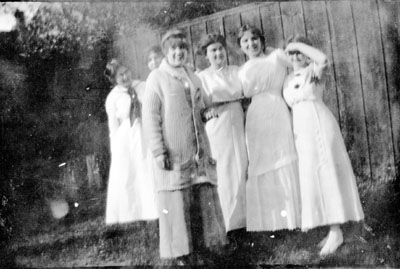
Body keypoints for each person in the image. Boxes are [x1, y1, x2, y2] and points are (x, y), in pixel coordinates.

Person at [142, 28, 227, 264]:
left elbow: (201, 105)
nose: (179, 52)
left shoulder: (193, 75)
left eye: (182, 48)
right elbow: (150, 117)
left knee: (201, 197)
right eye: (173, 49)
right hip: (174, 150)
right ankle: (181, 253)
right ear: (165, 52)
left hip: (197, 149)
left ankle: (204, 246)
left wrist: (206, 112)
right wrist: (159, 150)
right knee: (177, 201)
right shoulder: (157, 78)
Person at [282, 35, 364, 256]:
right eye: (291, 53)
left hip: (319, 125)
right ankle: (330, 228)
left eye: (300, 52)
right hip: (301, 130)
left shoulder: (314, 70)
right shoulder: (287, 77)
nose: (296, 56)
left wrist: (298, 46)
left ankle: (336, 230)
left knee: (326, 173)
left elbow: (324, 59)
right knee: (313, 177)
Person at [237, 24, 301, 232]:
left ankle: (293, 219)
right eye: (245, 41)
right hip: (256, 116)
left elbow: (297, 66)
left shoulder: (275, 57)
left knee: (283, 156)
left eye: (254, 38)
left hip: (277, 110)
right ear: (241, 47)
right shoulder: (242, 70)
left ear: (261, 40)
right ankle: (269, 222)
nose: (251, 43)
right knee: (261, 161)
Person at [196, 34, 247, 236]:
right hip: (217, 123)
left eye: (220, 49)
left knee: (241, 165)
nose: (218, 53)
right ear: (206, 56)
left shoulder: (236, 71)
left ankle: (245, 220)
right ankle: (228, 224)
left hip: (237, 118)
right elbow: (198, 106)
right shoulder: (201, 77)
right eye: (213, 51)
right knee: (224, 170)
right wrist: (205, 111)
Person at [104, 59, 158, 225]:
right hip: (127, 138)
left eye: (126, 71)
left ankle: (154, 209)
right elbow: (113, 126)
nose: (125, 76)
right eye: (120, 75)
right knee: (132, 174)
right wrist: (116, 149)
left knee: (149, 169)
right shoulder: (113, 98)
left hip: (146, 131)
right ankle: (134, 212)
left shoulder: (142, 86)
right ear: (114, 79)